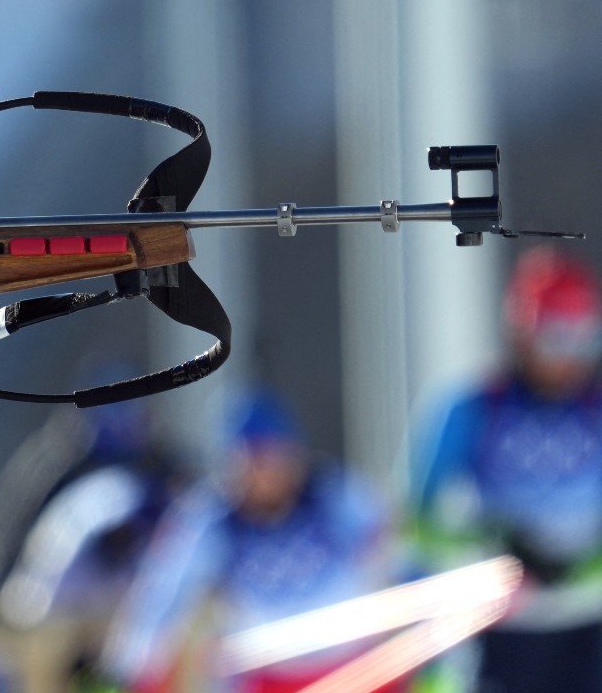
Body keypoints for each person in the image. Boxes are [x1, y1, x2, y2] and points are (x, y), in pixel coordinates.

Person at [97, 390, 401, 693]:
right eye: (251, 460)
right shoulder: (212, 518)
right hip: (266, 674)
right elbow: (163, 597)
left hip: (354, 667)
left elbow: (396, 553)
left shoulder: (332, 494)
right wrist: (129, 670)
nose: (263, 472)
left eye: (273, 456)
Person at [411, 245, 602, 693]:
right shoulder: (473, 410)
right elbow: (411, 526)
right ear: (522, 332)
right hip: (502, 628)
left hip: (590, 627)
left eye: (585, 337)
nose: (570, 356)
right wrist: (499, 542)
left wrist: (583, 563)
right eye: (557, 337)